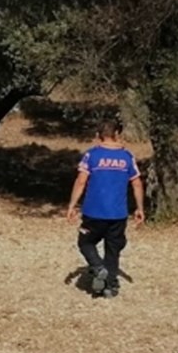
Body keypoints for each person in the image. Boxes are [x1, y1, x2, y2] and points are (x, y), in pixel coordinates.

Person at [66, 119, 145, 298]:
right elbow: (137, 183)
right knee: (113, 249)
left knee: (85, 242)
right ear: (118, 134)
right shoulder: (127, 157)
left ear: (98, 135)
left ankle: (97, 266)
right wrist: (139, 208)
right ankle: (110, 287)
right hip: (118, 214)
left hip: (93, 212)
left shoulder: (92, 155)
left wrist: (72, 205)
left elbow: (81, 181)